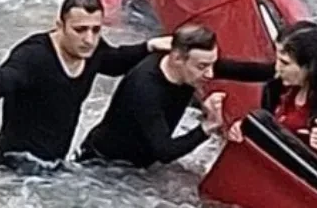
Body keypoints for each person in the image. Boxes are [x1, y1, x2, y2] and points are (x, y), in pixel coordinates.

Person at [0, 0, 170, 172]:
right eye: (80, 30)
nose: (89, 39)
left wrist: (149, 47)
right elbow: (6, 77)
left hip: (53, 164)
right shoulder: (34, 55)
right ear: (60, 25)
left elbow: (114, 61)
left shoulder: (91, 50)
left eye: (96, 30)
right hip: (15, 165)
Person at [76, 23, 273, 167]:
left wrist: (283, 70)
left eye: (213, 64)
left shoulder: (193, 67)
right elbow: (165, 152)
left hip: (142, 161)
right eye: (203, 66)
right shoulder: (145, 89)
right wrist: (207, 127)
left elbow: (243, 70)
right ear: (177, 58)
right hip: (104, 165)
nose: (211, 74)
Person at [228, 26, 317, 180]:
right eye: (277, 60)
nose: (277, 68)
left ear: (309, 67)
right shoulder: (277, 88)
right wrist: (247, 128)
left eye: (285, 63)